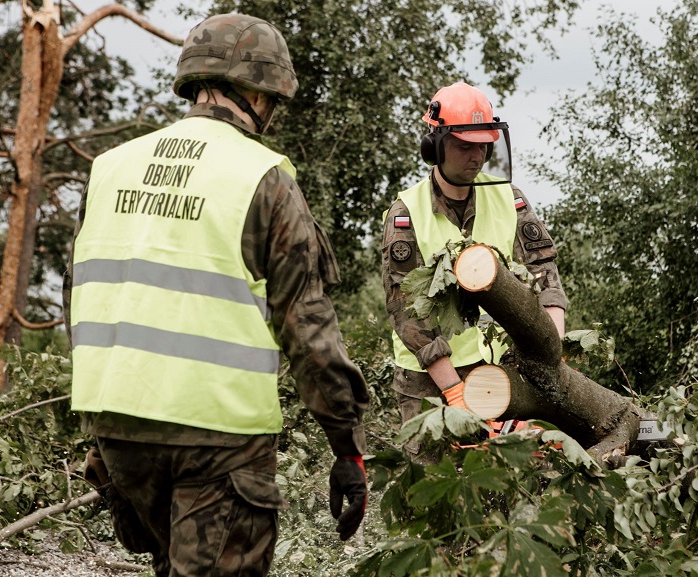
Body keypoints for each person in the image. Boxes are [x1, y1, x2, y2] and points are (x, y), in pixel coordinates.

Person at [63, 13, 369, 577]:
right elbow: (308, 329)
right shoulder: (265, 178)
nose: (273, 113)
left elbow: (82, 298)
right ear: (254, 91)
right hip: (220, 439)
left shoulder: (111, 168)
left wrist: (96, 430)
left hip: (120, 434)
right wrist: (346, 446)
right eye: (273, 99)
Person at [381, 81, 569, 459]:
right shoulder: (405, 215)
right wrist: (452, 390)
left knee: (505, 480)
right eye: (465, 146)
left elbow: (545, 272)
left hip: (496, 369)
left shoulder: (510, 200)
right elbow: (405, 313)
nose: (477, 156)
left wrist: (553, 347)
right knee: (437, 489)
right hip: (429, 380)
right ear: (434, 146)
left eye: (483, 145)